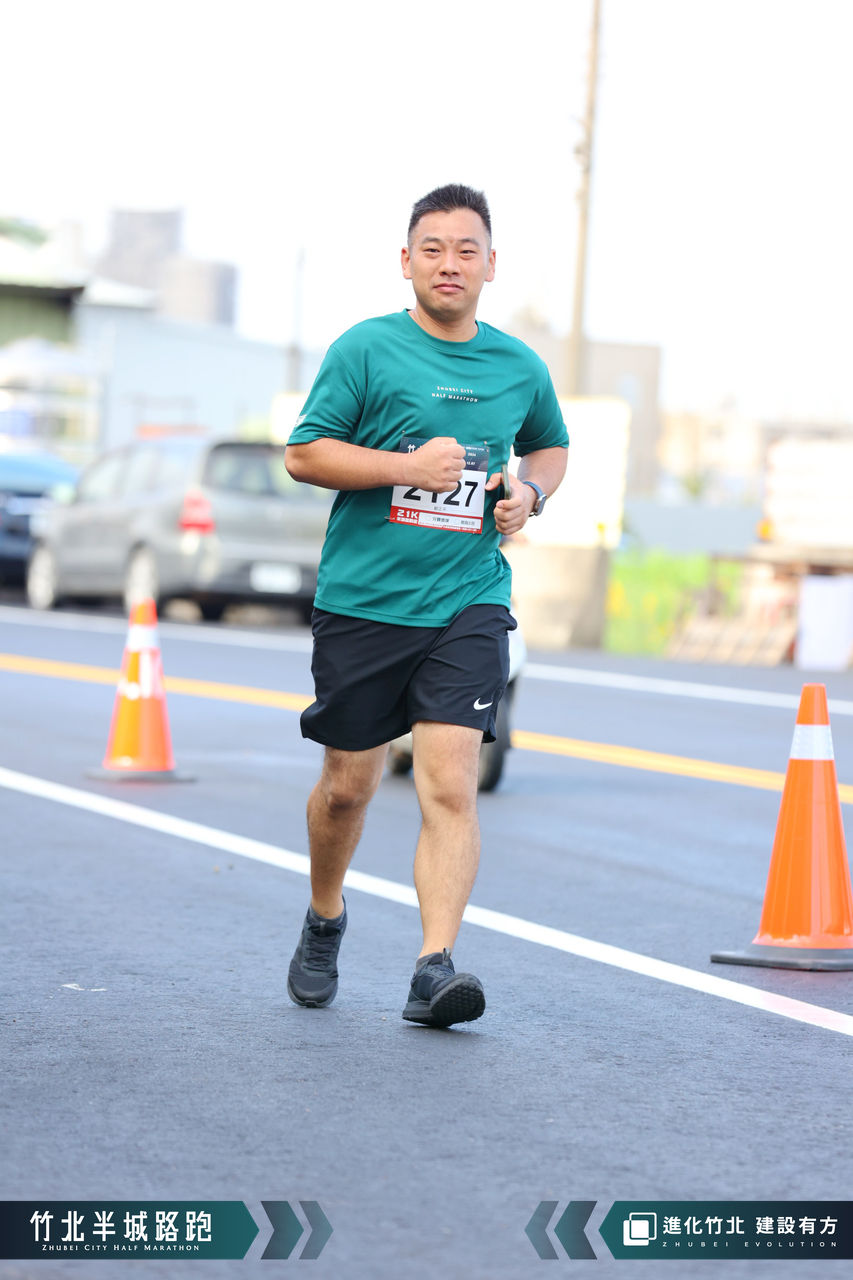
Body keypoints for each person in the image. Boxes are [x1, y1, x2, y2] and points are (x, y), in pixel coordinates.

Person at [284, 183, 568, 1027]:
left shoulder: (518, 366)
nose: (450, 264)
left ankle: (432, 967)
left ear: (490, 265)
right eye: (433, 249)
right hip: (365, 601)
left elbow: (549, 446)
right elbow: (305, 454)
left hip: (467, 598)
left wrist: (530, 496)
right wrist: (405, 469)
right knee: (348, 786)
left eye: (466, 250)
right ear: (406, 261)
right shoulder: (366, 350)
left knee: (449, 782)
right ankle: (325, 915)